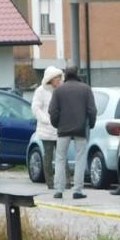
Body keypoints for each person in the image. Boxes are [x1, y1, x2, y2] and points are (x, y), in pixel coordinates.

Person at [47, 66, 96, 199]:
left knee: (60, 158)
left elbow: (52, 111)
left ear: (65, 75)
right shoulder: (86, 89)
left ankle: (58, 190)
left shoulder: (59, 90)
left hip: (63, 129)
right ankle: (77, 190)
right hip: (81, 128)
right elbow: (92, 110)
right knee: (80, 158)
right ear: (77, 74)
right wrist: (90, 124)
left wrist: (57, 124)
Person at [30, 66, 63, 189]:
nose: (59, 80)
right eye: (56, 78)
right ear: (51, 79)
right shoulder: (40, 91)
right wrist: (46, 120)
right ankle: (50, 182)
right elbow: (35, 108)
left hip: (59, 129)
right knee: (48, 156)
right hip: (46, 129)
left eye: (60, 78)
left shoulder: (60, 90)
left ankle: (66, 181)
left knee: (61, 155)